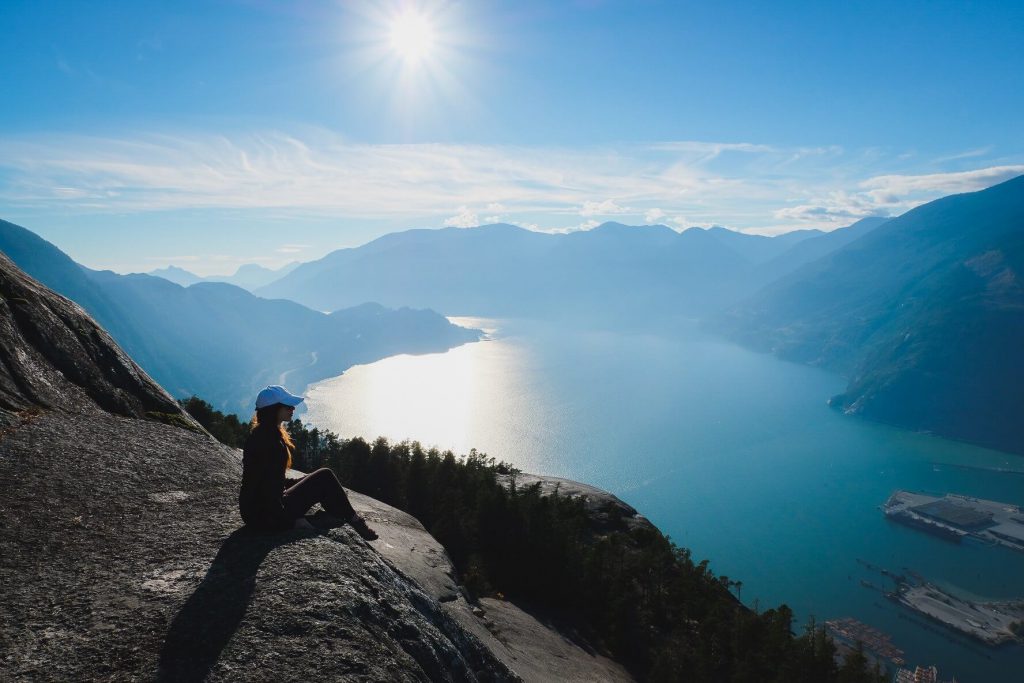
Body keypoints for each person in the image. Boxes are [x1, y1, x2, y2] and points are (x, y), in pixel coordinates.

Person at [238, 385, 378, 540]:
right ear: (274, 410)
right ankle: (354, 521)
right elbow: (267, 490)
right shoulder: (270, 442)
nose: (293, 409)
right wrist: (292, 521)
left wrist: (300, 482)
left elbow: (266, 480)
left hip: (255, 512)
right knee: (325, 476)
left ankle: (340, 517)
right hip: (266, 516)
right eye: (288, 406)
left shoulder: (263, 434)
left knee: (320, 479)